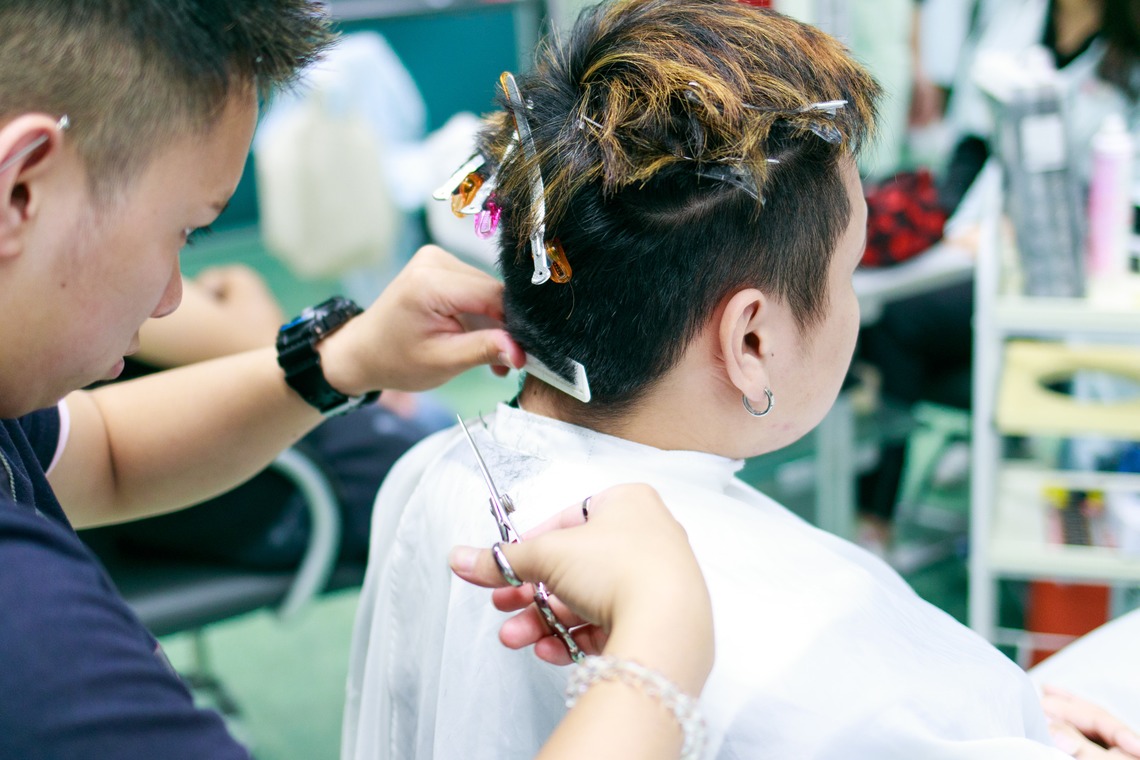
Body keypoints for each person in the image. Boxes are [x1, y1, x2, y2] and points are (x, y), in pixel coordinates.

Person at [342, 2, 1140, 758]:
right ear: (751, 339)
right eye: (850, 271)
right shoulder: (813, 669)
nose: (852, 303)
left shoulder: (424, 478)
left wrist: (992, 714)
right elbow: (850, 715)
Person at [0, 1, 526, 756]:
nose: (172, 298)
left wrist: (344, 359)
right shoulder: (26, 627)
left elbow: (110, 454)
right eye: (184, 231)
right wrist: (649, 664)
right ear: (21, 190)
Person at [81, 268, 445, 568]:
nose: (169, 295)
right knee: (454, 465)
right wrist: (243, 280)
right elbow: (272, 348)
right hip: (293, 487)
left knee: (436, 420)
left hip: (253, 479)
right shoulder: (97, 273)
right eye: (185, 232)